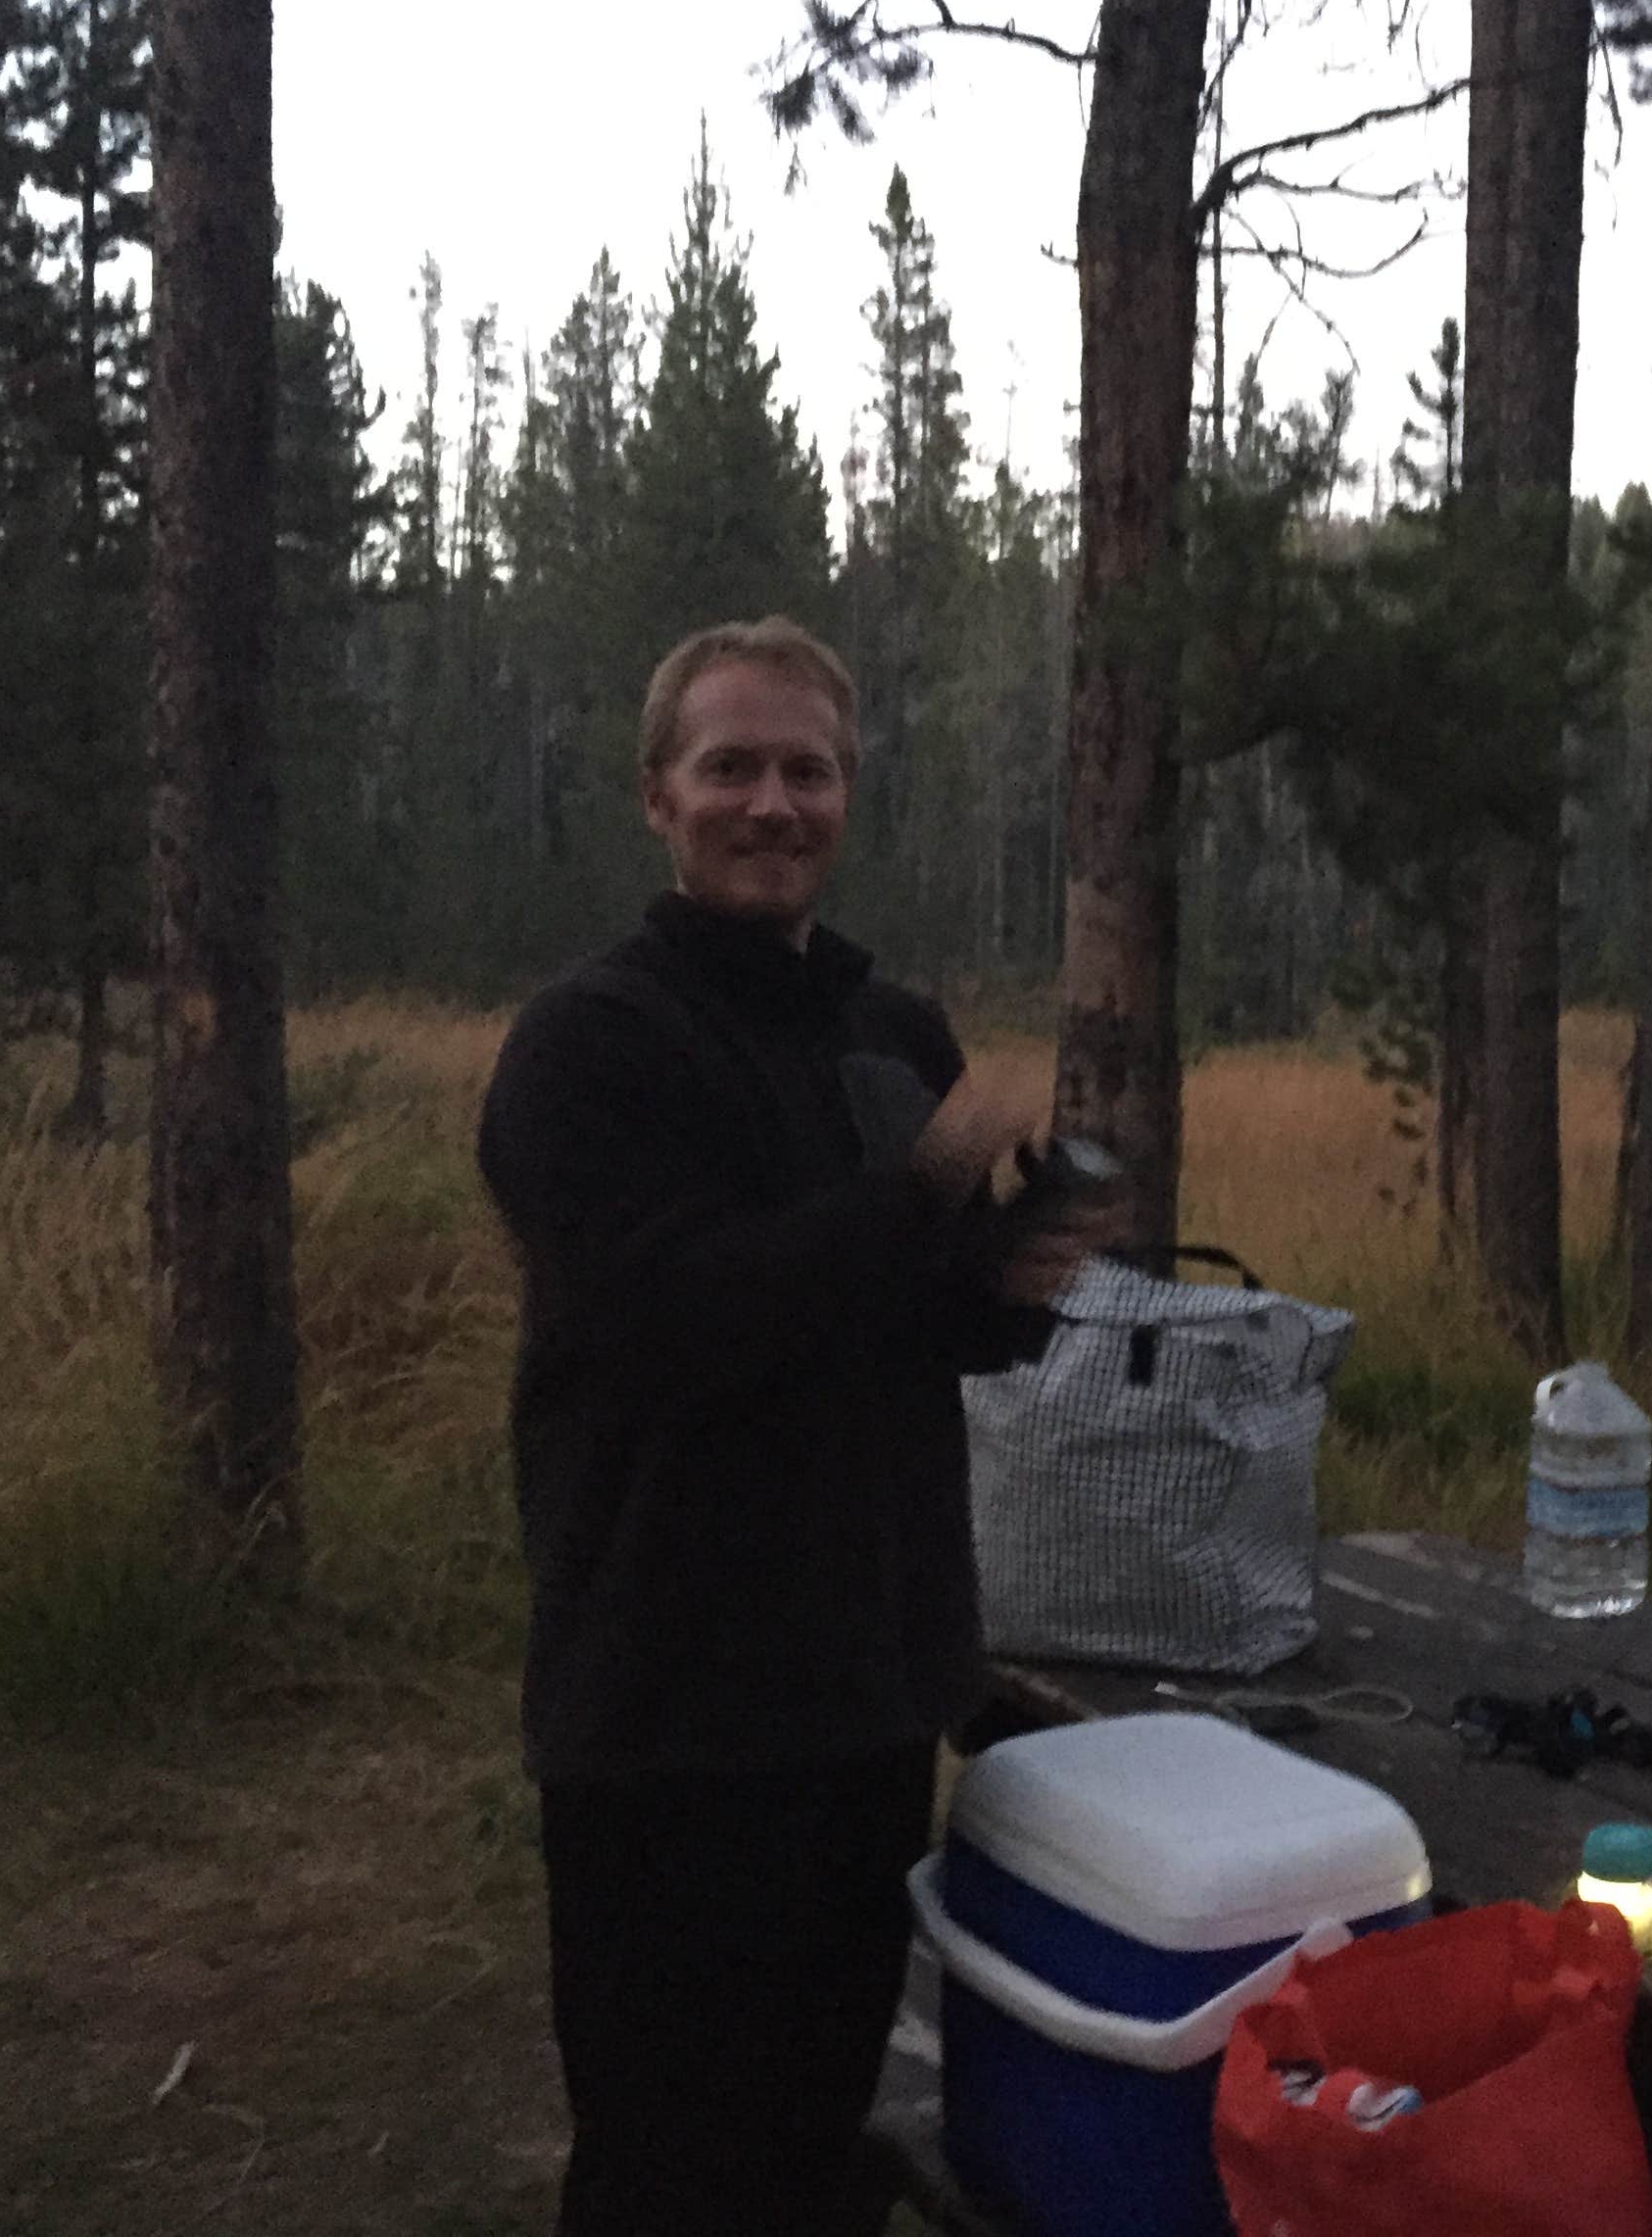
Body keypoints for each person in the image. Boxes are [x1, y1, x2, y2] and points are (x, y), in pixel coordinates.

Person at [477, 617, 1101, 2235]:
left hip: (870, 1690)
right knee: (671, 2156)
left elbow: (926, 1323)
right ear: (657, 796)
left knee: (820, 2134)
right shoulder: (591, 1044)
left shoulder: (892, 1034)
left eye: (807, 769)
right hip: (673, 1701)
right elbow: (673, 1322)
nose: (773, 802)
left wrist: (1023, 1273)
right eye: (731, 766)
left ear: (848, 796)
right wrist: (918, 1196)